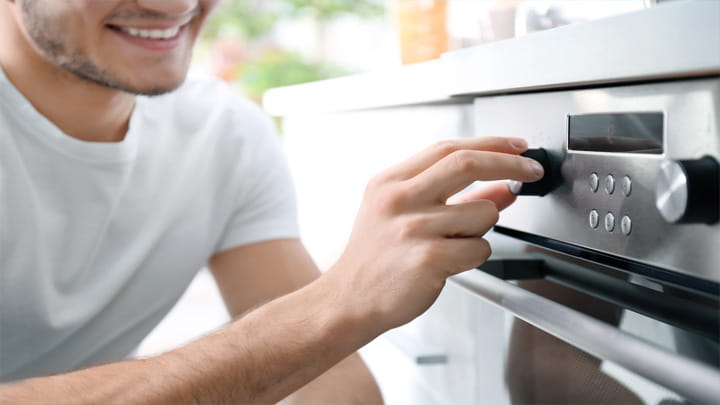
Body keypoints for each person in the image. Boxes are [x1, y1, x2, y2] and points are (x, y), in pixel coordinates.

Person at [0, 0, 544, 403]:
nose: (173, 6)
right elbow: (314, 329)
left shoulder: (221, 132)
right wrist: (334, 304)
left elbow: (336, 387)